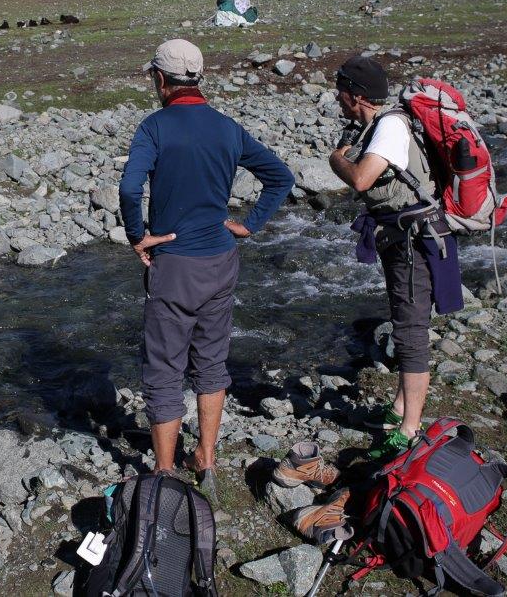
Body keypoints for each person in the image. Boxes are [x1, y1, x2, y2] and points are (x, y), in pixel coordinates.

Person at [119, 39, 294, 498]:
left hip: (174, 263)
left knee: (164, 368)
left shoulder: (154, 128)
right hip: (221, 260)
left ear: (160, 80)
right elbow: (281, 177)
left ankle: (163, 474)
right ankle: (208, 460)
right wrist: (249, 225)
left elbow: (129, 187)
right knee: (211, 362)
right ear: (198, 78)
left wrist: (139, 236)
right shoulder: (227, 128)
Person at [327, 55, 463, 460]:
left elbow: (362, 178)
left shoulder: (388, 127)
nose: (337, 97)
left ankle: (409, 428)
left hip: (413, 241)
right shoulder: (388, 120)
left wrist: (337, 158)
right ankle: (403, 408)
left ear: (356, 95)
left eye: (341, 90)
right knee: (406, 319)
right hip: (406, 237)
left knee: (410, 330)